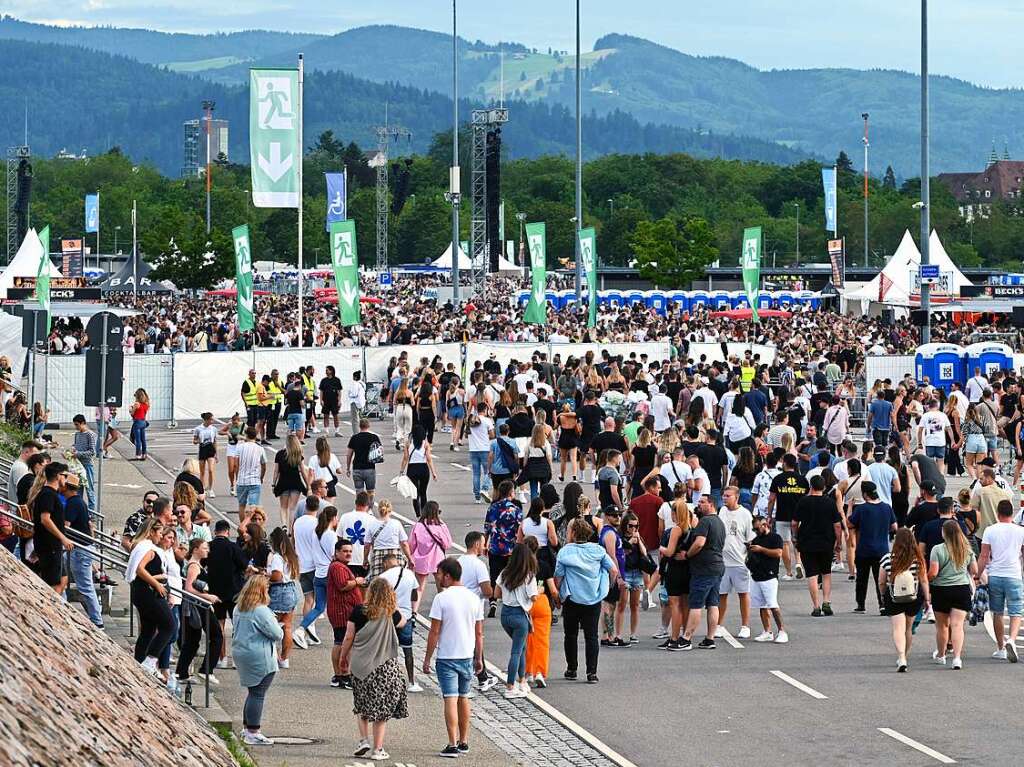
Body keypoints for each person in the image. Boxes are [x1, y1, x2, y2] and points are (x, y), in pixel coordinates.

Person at [337, 577, 408, 761]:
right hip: (386, 667)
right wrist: (393, 604)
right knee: (381, 712)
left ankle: (363, 740)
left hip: (361, 665)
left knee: (362, 705)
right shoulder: (391, 614)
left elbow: (348, 637)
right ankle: (377, 749)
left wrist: (343, 657)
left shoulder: (358, 612)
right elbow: (403, 622)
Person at [423, 557, 485, 758]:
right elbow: (478, 632)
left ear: (447, 576)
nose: (438, 577)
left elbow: (434, 631)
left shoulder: (441, 598)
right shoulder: (474, 598)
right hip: (467, 654)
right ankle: (464, 740)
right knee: (464, 697)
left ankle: (451, 743)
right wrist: (479, 658)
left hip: (447, 655)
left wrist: (427, 658)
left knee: (449, 698)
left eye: (439, 574)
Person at [554, 517, 617, 683]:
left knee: (571, 634)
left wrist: (558, 595)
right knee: (591, 636)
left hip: (572, 598)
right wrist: (607, 586)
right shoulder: (598, 551)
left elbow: (558, 577)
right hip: (593, 597)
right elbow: (613, 570)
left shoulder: (565, 552)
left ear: (573, 533)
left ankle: (572, 668)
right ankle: (592, 673)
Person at [232, 574, 284, 746]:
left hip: (242, 651)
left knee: (253, 691)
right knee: (258, 693)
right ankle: (253, 731)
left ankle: (247, 728)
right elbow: (277, 634)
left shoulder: (239, 607)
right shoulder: (260, 610)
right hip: (258, 654)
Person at [125, 519, 175, 675]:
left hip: (141, 592)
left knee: (149, 628)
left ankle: (139, 660)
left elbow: (143, 570)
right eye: (159, 533)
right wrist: (157, 583)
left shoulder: (141, 546)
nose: (160, 537)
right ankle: (150, 660)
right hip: (149, 593)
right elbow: (140, 569)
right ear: (151, 532)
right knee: (169, 625)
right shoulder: (148, 548)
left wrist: (158, 577)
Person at [677, 495, 726, 651]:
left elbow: (699, 543)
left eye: (702, 502)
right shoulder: (719, 522)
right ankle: (709, 638)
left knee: (696, 604)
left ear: (711, 505)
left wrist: (687, 555)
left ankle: (686, 639)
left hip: (704, 568)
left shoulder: (705, 521)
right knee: (713, 603)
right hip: (717, 566)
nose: (699, 504)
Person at [977, 500, 1024, 662]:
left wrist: (978, 574)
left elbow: (984, 556)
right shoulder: (1020, 531)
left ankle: (1000, 648)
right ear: (1012, 513)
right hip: (1014, 575)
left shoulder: (990, 530)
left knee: (997, 612)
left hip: (995, 575)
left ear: (998, 513)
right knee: (1016, 612)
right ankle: (1011, 639)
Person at [928, 520, 977, 670]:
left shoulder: (937, 549)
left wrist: (926, 579)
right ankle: (957, 658)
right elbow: (974, 570)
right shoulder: (967, 548)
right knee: (957, 625)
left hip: (941, 590)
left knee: (942, 626)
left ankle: (942, 655)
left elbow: (934, 572)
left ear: (945, 533)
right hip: (961, 589)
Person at [879, 528, 929, 672]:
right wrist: (927, 598)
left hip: (894, 597)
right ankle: (905, 656)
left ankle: (901, 657)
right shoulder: (918, 559)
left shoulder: (887, 558)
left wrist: (883, 595)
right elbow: (924, 580)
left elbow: (882, 581)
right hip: (913, 597)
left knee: (897, 628)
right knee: (908, 628)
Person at [176, 538, 224, 686]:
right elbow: (188, 588)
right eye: (204, 548)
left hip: (197, 605)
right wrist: (208, 597)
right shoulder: (193, 566)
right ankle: (206, 669)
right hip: (198, 606)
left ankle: (182, 672)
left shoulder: (196, 565)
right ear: (195, 549)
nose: (207, 550)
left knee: (192, 641)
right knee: (216, 635)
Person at [793, 475, 842, 616]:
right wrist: (838, 543)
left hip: (807, 542)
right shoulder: (830, 503)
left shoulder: (803, 502)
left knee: (812, 575)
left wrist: (795, 536)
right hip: (826, 542)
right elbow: (837, 525)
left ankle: (816, 606)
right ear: (824, 487)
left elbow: (794, 523)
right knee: (826, 573)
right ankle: (826, 601)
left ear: (811, 487)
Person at [496, 542, 539, 698]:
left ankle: (522, 681)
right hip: (520, 615)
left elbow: (497, 594)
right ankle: (510, 686)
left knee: (521, 648)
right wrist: (539, 591)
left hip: (505, 614)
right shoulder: (529, 576)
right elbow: (533, 597)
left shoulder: (504, 573)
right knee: (517, 650)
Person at [848, 482, 897, 615]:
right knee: (881, 579)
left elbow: (850, 523)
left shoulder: (862, 509)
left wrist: (850, 508)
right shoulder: (887, 508)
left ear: (865, 494)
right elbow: (895, 527)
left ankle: (861, 604)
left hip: (864, 549)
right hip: (882, 549)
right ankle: (883, 604)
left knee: (862, 579)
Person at [61, 473, 102, 627]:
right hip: (81, 548)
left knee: (85, 586)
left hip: (81, 549)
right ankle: (63, 604)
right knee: (62, 575)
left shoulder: (73, 503)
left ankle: (97, 620)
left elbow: (65, 525)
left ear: (67, 487)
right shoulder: (78, 501)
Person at [378, 551, 422, 693]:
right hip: (406, 616)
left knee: (386, 649)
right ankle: (411, 682)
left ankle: (386, 680)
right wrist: (413, 611)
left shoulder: (383, 577)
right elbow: (415, 594)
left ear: (385, 563)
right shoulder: (409, 574)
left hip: (388, 617)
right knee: (407, 649)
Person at [295, 505, 339, 648]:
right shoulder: (331, 535)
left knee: (318, 606)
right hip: (328, 574)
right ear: (333, 518)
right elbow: (335, 554)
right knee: (335, 604)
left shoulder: (316, 533)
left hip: (318, 574)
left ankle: (301, 629)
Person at [207, 519, 249, 666]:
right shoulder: (233, 547)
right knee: (237, 625)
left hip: (215, 592)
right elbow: (244, 565)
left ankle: (221, 658)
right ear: (227, 531)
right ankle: (236, 660)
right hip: (233, 591)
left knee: (219, 625)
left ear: (215, 531)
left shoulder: (209, 546)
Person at [327, 538, 365, 688]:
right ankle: (343, 674)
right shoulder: (337, 567)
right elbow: (343, 585)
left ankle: (340, 675)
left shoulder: (341, 566)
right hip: (342, 611)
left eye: (350, 551)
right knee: (343, 643)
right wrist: (357, 582)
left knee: (342, 642)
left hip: (344, 610)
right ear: (337, 553)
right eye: (345, 551)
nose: (348, 554)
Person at [717, 486, 754, 639]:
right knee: (721, 594)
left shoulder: (745, 514)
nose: (725, 498)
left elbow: (750, 539)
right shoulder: (722, 511)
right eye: (724, 496)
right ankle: (718, 624)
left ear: (736, 497)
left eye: (728, 496)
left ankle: (745, 626)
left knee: (743, 594)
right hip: (722, 561)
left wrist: (749, 559)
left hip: (739, 561)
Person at [30, 461, 73, 594]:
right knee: (54, 583)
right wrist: (63, 538)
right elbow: (45, 519)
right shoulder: (48, 494)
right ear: (58, 476)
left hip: (53, 545)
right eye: (65, 475)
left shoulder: (50, 494)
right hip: (49, 545)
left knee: (63, 578)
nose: (66, 479)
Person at [765, 453, 809, 580]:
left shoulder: (778, 479)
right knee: (797, 541)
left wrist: (769, 515)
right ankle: (799, 563)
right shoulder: (802, 480)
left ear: (784, 463)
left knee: (784, 543)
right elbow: (806, 499)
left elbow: (771, 499)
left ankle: (789, 572)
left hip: (782, 515)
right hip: (799, 516)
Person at [747, 514, 787, 643]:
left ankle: (782, 631)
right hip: (756, 575)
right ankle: (767, 631)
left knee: (773, 605)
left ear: (765, 525)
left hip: (769, 576)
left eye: (757, 529)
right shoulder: (756, 539)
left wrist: (761, 549)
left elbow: (778, 553)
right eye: (754, 529)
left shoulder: (775, 538)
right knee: (761, 606)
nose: (756, 532)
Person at [267, 527, 300, 668]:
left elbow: (277, 576)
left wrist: (266, 576)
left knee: (271, 626)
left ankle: (273, 656)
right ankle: (284, 658)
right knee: (287, 627)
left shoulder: (277, 557)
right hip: (292, 589)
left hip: (279, 591)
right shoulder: (292, 557)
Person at [408, 501, 453, 594]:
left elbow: (411, 544)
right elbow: (447, 544)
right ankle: (442, 606)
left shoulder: (418, 526)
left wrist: (410, 557)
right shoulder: (440, 525)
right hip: (437, 559)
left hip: (421, 559)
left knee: (419, 588)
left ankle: (414, 608)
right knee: (441, 587)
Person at [364, 500, 412, 579]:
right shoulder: (396, 523)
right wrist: (410, 558)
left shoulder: (372, 524)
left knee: (378, 583)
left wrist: (365, 559)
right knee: (397, 580)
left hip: (378, 555)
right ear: (390, 510)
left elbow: (367, 545)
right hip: (395, 555)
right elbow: (404, 543)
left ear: (379, 510)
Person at [399, 425, 438, 517]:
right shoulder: (425, 444)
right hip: (423, 468)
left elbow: (405, 458)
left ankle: (417, 513)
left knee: (414, 493)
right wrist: (433, 472)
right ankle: (424, 513)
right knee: (423, 492)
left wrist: (401, 471)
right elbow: (429, 459)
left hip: (412, 468)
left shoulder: (408, 443)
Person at [272, 434, 308, 529]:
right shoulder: (298, 455)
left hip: (283, 482)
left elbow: (276, 471)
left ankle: (284, 525)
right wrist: (308, 485)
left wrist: (273, 484)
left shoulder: (280, 454)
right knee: (293, 508)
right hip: (296, 482)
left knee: (283, 506)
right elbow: (303, 472)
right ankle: (291, 529)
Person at [346, 419, 383, 507]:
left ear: (360, 426)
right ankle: (369, 508)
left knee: (359, 491)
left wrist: (348, 467)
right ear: (368, 426)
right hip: (370, 468)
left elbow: (349, 454)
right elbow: (380, 450)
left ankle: (360, 507)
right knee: (371, 491)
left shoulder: (354, 438)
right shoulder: (374, 437)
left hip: (357, 468)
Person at [338, 492, 376, 577]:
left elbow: (339, 538)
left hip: (347, 558)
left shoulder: (345, 517)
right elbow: (373, 542)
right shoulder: (372, 520)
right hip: (364, 560)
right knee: (364, 586)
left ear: (356, 502)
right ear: (368, 505)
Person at [466, 403, 494, 503]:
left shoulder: (471, 420)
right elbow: (492, 435)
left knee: (476, 473)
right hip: (485, 448)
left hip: (473, 449)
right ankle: (485, 488)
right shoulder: (487, 421)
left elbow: (466, 434)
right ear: (485, 409)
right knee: (489, 471)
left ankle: (477, 497)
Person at [236, 427, 267, 515]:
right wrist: (261, 477)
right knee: (254, 506)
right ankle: (253, 525)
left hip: (241, 480)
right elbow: (264, 465)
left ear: (246, 435)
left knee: (241, 505)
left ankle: (243, 525)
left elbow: (236, 464)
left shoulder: (240, 447)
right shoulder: (260, 448)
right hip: (254, 480)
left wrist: (237, 476)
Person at [70, 415, 97, 511]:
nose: (76, 427)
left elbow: (92, 452)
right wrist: (72, 449)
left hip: (87, 465)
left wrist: (78, 454)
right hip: (77, 465)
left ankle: (92, 511)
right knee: (78, 489)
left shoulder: (90, 435)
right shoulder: (77, 434)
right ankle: (79, 510)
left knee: (89, 489)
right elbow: (76, 445)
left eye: (77, 425)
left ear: (83, 423)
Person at [917, 399, 950, 476]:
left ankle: (931, 476)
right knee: (941, 460)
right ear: (937, 405)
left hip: (929, 441)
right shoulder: (943, 415)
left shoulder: (925, 415)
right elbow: (949, 429)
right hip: (940, 441)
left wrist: (919, 443)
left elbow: (920, 430)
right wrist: (952, 440)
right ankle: (941, 476)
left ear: (929, 406)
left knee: (930, 460)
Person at [192, 412, 219, 497]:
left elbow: (215, 441)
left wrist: (216, 454)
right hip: (203, 448)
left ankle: (210, 488)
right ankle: (202, 488)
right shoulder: (198, 429)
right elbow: (194, 441)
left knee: (211, 470)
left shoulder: (213, 429)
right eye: (211, 419)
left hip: (210, 449)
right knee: (202, 471)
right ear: (206, 420)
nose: (212, 421)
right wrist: (199, 440)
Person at [220, 413, 244, 495]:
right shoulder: (229, 425)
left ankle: (238, 485)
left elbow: (250, 436)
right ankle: (232, 484)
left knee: (237, 467)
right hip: (231, 447)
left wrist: (241, 437)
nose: (235, 424)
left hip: (239, 447)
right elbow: (220, 431)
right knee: (231, 469)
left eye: (236, 423)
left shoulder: (244, 426)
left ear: (239, 421)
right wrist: (227, 433)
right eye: (233, 423)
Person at [319, 364, 343, 437]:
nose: (326, 372)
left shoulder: (337, 380)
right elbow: (321, 391)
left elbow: (339, 391)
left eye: (327, 370)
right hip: (326, 400)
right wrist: (321, 400)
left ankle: (337, 431)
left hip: (334, 400)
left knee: (335, 415)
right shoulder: (323, 380)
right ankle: (326, 432)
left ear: (331, 371)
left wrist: (339, 401)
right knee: (326, 415)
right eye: (326, 370)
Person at [128, 388, 150, 461]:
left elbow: (132, 414)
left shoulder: (137, 404)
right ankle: (144, 454)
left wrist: (130, 409)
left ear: (137, 396)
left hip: (137, 422)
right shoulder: (146, 404)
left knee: (138, 440)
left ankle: (138, 455)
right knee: (143, 439)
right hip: (143, 422)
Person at [348, 370, 367, 436]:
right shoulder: (362, 384)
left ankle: (356, 433)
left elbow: (354, 393)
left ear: (355, 377)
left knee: (355, 419)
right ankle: (363, 431)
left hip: (355, 402)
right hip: (361, 402)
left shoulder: (355, 384)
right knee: (361, 418)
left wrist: (349, 394)